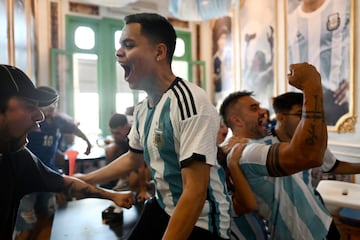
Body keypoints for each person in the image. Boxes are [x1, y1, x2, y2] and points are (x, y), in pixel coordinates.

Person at [76, 13, 231, 239]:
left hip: (201, 219)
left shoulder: (191, 102)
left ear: (159, 52)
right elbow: (134, 157)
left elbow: (195, 192)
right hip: (163, 205)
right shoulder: (142, 109)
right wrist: (85, 179)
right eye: (120, 46)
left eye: (128, 45)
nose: (119, 52)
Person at [0, 64, 134, 240]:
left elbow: (63, 183)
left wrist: (112, 195)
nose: (40, 116)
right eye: (29, 106)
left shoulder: (17, 158)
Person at [219, 63, 337, 239]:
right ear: (237, 120)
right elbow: (308, 155)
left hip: (321, 222)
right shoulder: (244, 152)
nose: (263, 112)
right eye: (254, 109)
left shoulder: (262, 141)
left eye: (260, 106)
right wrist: (312, 85)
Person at [14, 86, 93, 239]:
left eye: (54, 103)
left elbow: (74, 129)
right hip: (26, 178)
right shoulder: (28, 120)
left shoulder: (59, 120)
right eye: (47, 103)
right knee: (26, 224)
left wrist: (88, 142)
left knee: (48, 215)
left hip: (48, 174)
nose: (51, 107)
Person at [271, 92, 360, 188]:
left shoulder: (311, 141)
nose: (307, 122)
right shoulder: (263, 146)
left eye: (308, 116)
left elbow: (334, 166)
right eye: (301, 115)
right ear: (281, 117)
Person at [287, 0, 350, 125]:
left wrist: (354, 85)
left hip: (335, 100)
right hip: (300, 103)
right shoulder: (289, 21)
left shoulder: (344, 6)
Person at [103, 113, 151, 202]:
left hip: (146, 160)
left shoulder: (137, 131)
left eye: (117, 133)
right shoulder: (122, 131)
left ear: (126, 127)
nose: (114, 136)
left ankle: (145, 186)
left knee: (133, 181)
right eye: (112, 133)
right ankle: (117, 180)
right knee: (110, 150)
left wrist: (142, 190)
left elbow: (140, 163)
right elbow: (118, 140)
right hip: (130, 153)